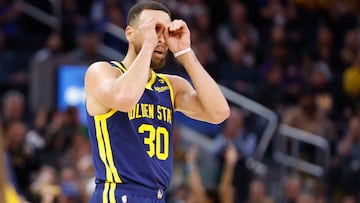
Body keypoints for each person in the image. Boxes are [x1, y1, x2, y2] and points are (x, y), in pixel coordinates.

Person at [84, 1, 230, 203]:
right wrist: (148, 46)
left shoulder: (171, 86)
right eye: (154, 29)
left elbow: (219, 113)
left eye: (165, 31)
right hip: (117, 194)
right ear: (130, 33)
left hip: (157, 197)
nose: (160, 38)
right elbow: (125, 99)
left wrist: (186, 53)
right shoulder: (103, 72)